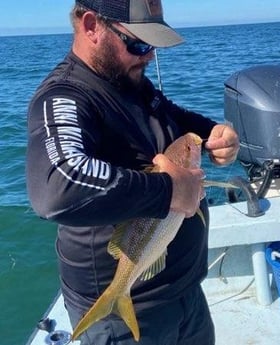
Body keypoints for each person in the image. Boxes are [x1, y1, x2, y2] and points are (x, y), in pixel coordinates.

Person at [26, 1, 239, 344]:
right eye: (138, 44)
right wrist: (169, 191)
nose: (149, 55)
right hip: (124, 317)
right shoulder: (65, 96)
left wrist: (214, 133)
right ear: (92, 26)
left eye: (152, 44)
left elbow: (172, 116)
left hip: (185, 292)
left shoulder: (131, 82)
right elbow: (57, 185)